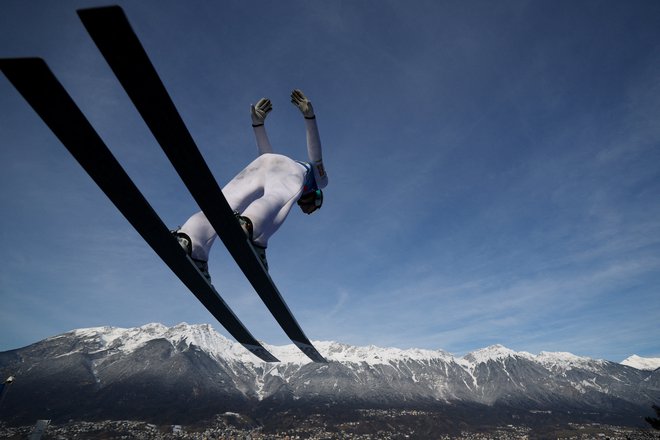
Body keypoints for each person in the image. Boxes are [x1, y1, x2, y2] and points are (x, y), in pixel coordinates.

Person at [173, 89, 328, 281]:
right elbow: (316, 156)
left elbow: (267, 157)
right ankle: (251, 227)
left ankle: (190, 240)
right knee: (277, 199)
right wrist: (309, 117)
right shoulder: (316, 180)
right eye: (310, 206)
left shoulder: (278, 166)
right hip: (286, 170)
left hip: (262, 164)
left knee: (223, 204)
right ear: (316, 196)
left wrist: (258, 125)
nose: (305, 208)